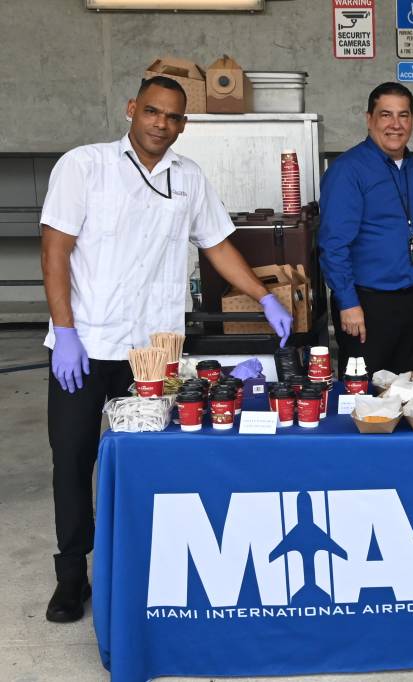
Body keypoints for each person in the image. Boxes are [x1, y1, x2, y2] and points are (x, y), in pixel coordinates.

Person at [39, 76, 292, 623]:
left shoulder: (189, 178)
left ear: (184, 124)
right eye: (153, 112)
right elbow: (55, 249)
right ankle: (69, 575)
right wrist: (64, 331)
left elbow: (218, 244)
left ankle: (138, 562)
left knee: (144, 459)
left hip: (150, 353)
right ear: (132, 109)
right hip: (85, 344)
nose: (162, 124)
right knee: (73, 457)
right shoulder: (84, 166)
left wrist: (264, 296)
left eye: (174, 117)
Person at [319, 82, 413, 375]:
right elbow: (333, 245)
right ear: (369, 119)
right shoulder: (348, 170)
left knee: (408, 393)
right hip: (367, 305)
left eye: (403, 115)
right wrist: (348, 303)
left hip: (410, 301)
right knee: (364, 397)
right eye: (386, 115)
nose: (396, 125)